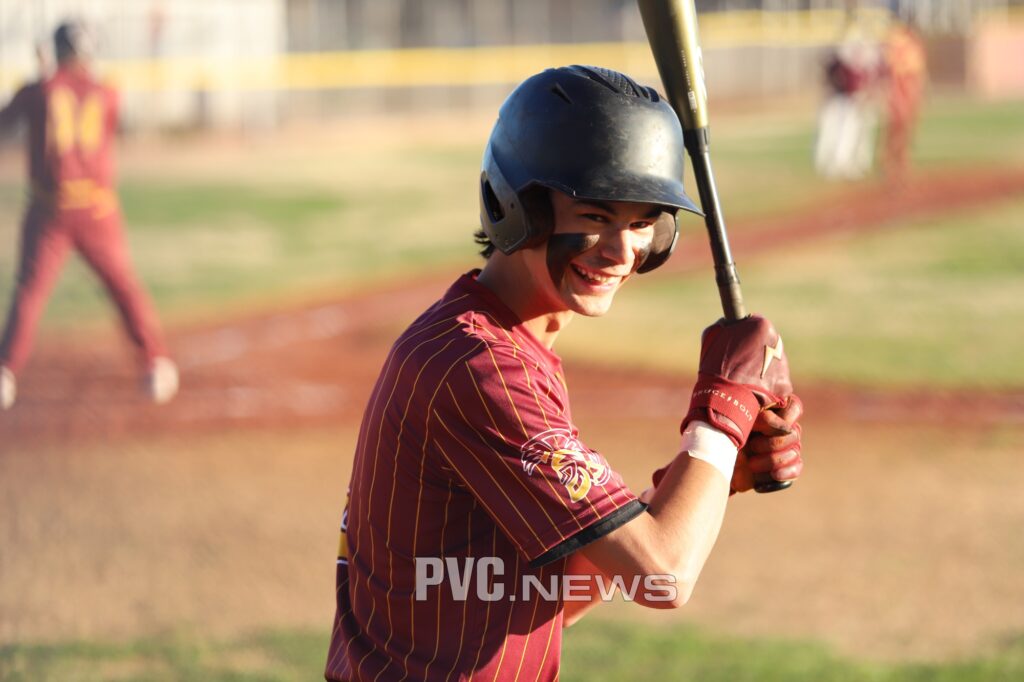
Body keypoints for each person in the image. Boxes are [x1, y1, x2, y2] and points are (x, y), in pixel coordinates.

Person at [324, 65, 804, 681]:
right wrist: (722, 414)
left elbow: (540, 598)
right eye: (595, 217)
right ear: (516, 206)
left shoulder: (498, 343)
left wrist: (709, 481)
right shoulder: (483, 368)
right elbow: (664, 576)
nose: (622, 252)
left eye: (642, 223)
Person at [0, 21, 177, 410]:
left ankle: (6, 371)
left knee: (30, 292)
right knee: (123, 286)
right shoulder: (107, 91)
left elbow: (11, 119)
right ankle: (156, 362)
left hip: (50, 208)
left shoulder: (40, 89)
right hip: (97, 208)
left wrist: (41, 76)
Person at [814, 6, 883, 180]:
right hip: (850, 94)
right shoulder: (851, 45)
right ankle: (840, 164)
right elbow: (844, 68)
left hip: (858, 93)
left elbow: (869, 70)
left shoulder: (863, 46)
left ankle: (854, 163)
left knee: (858, 130)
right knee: (846, 129)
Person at [881, 16, 927, 184]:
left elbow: (917, 71)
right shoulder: (898, 43)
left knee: (904, 131)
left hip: (907, 93)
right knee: (897, 130)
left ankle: (899, 163)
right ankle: (891, 164)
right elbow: (896, 69)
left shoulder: (910, 45)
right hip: (899, 93)